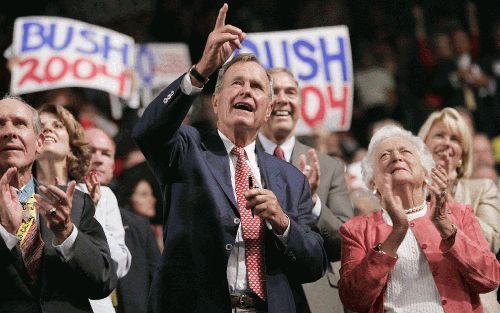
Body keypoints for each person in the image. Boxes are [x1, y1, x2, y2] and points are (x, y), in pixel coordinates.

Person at [132, 4, 327, 312]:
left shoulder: (290, 178)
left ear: (266, 111)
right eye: (237, 83)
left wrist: (282, 222)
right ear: (216, 100)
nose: (246, 91)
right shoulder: (187, 148)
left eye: (257, 87)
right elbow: (148, 130)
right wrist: (201, 71)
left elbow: (315, 263)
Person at [339, 125, 499, 313]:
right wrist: (397, 232)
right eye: (384, 156)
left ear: (425, 173)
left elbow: (490, 278)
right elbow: (353, 299)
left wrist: (445, 227)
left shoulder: (459, 215)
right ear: (373, 182)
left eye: (405, 151)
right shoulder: (356, 229)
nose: (397, 157)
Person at [0, 95, 116, 313]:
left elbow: (103, 281)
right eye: (0, 124)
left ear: (39, 143)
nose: (9, 131)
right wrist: (6, 235)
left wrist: (67, 233)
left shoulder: (77, 203)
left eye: (20, 123)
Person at [257, 67, 352, 313]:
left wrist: (312, 202)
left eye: (291, 92)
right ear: (262, 103)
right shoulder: (241, 159)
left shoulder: (329, 167)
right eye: (274, 91)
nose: (283, 99)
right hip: (262, 295)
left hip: (317, 297)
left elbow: (347, 243)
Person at [34, 103, 131, 313]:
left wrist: (91, 216)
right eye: (40, 126)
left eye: (57, 125)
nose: (48, 129)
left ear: (71, 146)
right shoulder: (17, 194)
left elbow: (113, 267)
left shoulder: (98, 196)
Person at [84, 127, 160, 313]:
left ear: (112, 166)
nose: (98, 159)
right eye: (90, 151)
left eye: (106, 154)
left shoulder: (139, 226)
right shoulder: (62, 210)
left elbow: (157, 285)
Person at [418, 108, 499, 253]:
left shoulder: (483, 189)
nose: (447, 143)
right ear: (423, 146)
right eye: (439, 135)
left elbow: (492, 244)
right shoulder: (410, 194)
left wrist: (448, 195)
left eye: (454, 139)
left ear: (463, 154)